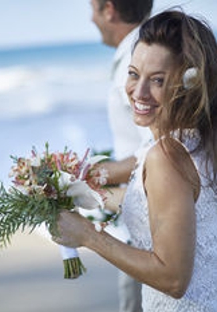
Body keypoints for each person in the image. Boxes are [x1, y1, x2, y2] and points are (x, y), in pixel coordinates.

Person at [52, 10, 217, 311]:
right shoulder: (198, 139)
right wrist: (85, 193)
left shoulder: (166, 156)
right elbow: (159, 204)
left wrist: (88, 236)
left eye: (157, 80)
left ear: (189, 83)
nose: (138, 92)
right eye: (133, 73)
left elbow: (173, 279)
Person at [89, 1, 153, 311]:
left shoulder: (137, 56)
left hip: (150, 225)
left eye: (92, 8)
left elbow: (156, 149)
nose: (91, 18)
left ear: (109, 9)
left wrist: (90, 177)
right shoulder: (151, 45)